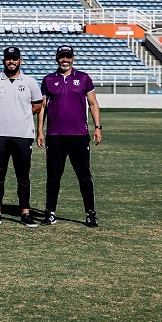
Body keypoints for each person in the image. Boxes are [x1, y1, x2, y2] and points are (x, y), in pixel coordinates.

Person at [36, 45, 102, 228]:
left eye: (68, 57)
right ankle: (50, 213)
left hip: (79, 136)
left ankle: (90, 214)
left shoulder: (83, 78)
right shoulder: (48, 80)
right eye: (62, 57)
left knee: (84, 176)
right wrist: (40, 131)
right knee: (53, 176)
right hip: (55, 136)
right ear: (57, 59)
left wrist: (97, 127)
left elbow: (93, 103)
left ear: (73, 58)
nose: (65, 60)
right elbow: (42, 107)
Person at [0, 46, 44, 228]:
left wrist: (20, 115)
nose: (11, 62)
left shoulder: (30, 82)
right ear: (3, 60)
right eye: (8, 58)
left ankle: (25, 213)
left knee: (23, 176)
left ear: (20, 61)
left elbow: (37, 106)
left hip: (22, 135)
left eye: (15, 59)